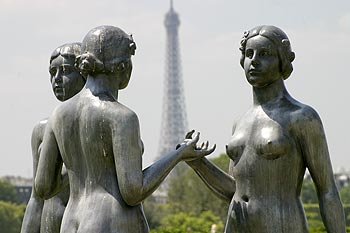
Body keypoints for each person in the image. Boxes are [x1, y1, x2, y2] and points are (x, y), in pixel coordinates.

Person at [34, 25, 215, 233]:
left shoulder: (59, 115)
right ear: (121, 65)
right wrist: (179, 154)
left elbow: (43, 187)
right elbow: (133, 192)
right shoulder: (121, 117)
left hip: (70, 222)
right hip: (110, 220)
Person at [186, 25, 346, 233]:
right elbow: (233, 192)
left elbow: (327, 191)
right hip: (236, 226)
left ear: (283, 61)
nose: (254, 61)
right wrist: (198, 163)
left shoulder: (301, 117)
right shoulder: (240, 122)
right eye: (249, 54)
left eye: (264, 54)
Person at [21, 43, 85, 233]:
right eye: (52, 72)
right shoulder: (41, 130)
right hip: (50, 225)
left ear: (85, 73)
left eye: (65, 71)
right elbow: (36, 199)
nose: (56, 79)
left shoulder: (102, 124)